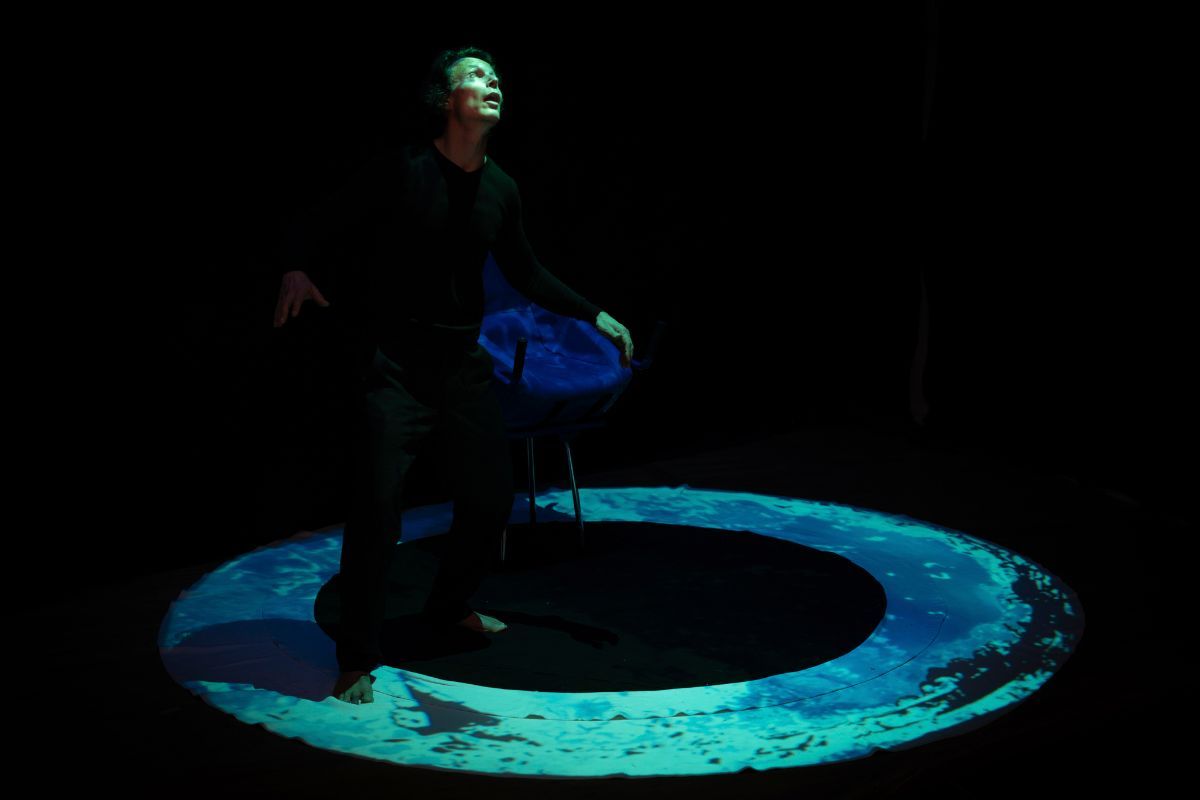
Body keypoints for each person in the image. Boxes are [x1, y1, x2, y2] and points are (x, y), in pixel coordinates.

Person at [272, 47, 634, 706]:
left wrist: (595, 313)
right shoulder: (403, 170)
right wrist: (297, 267)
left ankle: (447, 606)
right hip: (394, 368)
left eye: (496, 77)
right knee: (377, 510)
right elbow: (318, 220)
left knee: (491, 500)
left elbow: (527, 271)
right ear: (446, 99)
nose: (492, 83)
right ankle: (356, 655)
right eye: (476, 76)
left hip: (462, 368)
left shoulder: (501, 189)